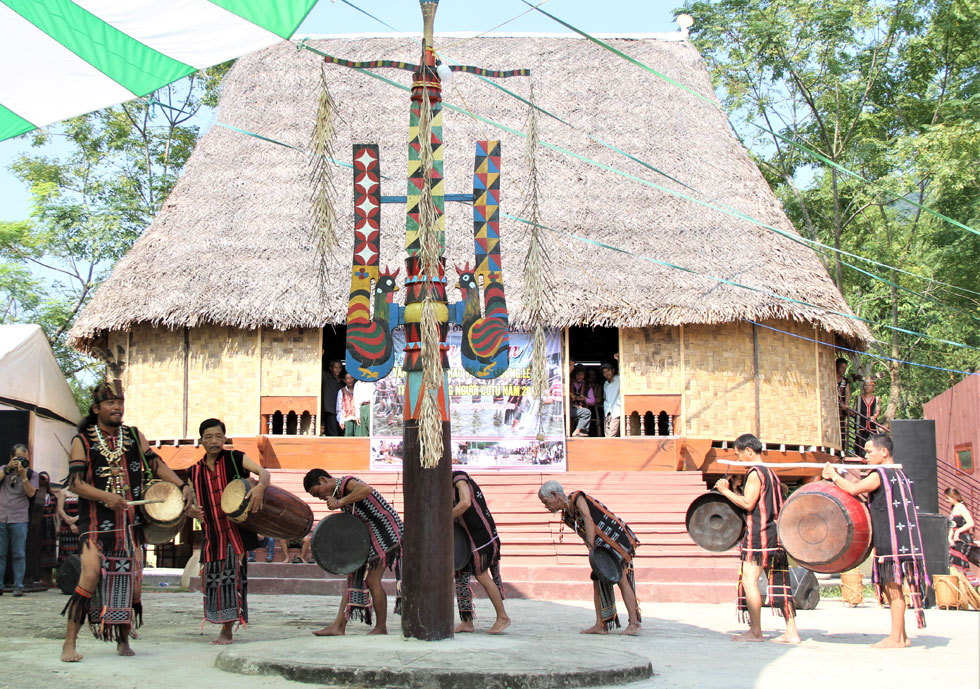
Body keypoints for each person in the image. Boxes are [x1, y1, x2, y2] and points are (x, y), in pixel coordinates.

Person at [61, 381, 194, 662]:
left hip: (129, 526)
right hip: (96, 525)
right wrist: (105, 496)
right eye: (110, 403)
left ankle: (122, 639)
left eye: (120, 402)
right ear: (96, 409)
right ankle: (69, 643)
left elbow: (155, 464)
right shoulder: (82, 440)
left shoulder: (133, 435)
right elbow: (74, 483)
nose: (117, 407)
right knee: (89, 575)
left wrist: (181, 484)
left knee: (131, 582)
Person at [823, 432, 929, 648]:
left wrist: (834, 475)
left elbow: (853, 489)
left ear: (884, 452)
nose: (867, 456)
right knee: (896, 588)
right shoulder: (903, 475)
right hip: (907, 539)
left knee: (894, 587)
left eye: (870, 452)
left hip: (891, 540)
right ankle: (902, 636)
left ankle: (897, 638)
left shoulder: (879, 474)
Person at [185, 418, 269, 645]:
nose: (214, 441)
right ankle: (219, 621)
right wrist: (190, 511)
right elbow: (189, 504)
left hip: (236, 533)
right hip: (211, 535)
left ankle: (227, 631)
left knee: (231, 579)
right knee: (213, 581)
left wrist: (260, 487)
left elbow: (263, 472)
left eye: (219, 436)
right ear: (201, 440)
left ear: (225, 438)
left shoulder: (236, 458)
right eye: (209, 437)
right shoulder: (193, 471)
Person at [714, 434, 800, 644]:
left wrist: (725, 491)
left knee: (749, 581)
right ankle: (792, 631)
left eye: (739, 454)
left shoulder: (755, 473)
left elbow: (747, 503)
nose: (739, 459)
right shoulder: (771, 473)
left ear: (749, 451)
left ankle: (755, 631)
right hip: (776, 534)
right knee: (779, 583)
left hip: (759, 535)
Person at [303, 468, 403, 636]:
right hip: (370, 536)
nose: (318, 497)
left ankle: (381, 627)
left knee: (372, 580)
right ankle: (338, 626)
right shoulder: (339, 493)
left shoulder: (346, 482)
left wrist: (339, 503)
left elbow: (366, 490)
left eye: (317, 492)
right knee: (353, 578)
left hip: (386, 533)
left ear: (323, 479)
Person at [538, 480, 640, 635]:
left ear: (555, 495)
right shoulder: (567, 516)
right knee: (597, 582)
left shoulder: (577, 497)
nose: (547, 507)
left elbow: (588, 518)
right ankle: (601, 624)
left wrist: (592, 550)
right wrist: (594, 556)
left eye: (546, 502)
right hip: (600, 547)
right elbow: (584, 534)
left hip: (614, 540)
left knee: (621, 579)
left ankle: (634, 623)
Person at [452, 470, 510, 634]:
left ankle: (502, 617)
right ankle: (467, 621)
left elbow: (465, 503)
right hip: (466, 538)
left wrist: (443, 519)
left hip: (480, 535)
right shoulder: (446, 486)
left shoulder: (458, 477)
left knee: (482, 575)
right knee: (461, 576)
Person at [0, 443, 38, 596]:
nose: (21, 462)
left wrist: (23, 476)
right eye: (18, 459)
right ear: (11, 457)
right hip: (1, 516)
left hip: (19, 518)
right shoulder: (4, 469)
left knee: (19, 554)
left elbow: (31, 494)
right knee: (0, 554)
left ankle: (18, 586)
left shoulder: (31, 474)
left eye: (24, 459)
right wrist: (8, 469)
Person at [945, 487, 978, 585]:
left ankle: (970, 584)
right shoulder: (954, 508)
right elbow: (953, 525)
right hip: (956, 540)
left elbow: (970, 523)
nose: (947, 500)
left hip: (962, 539)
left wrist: (958, 531)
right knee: (953, 562)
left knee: (959, 563)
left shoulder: (961, 507)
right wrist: (949, 538)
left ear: (954, 497)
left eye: (948, 498)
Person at [853, 380, 881, 457]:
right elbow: (854, 410)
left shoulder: (876, 399)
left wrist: (874, 416)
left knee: (873, 444)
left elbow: (877, 411)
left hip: (872, 427)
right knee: (861, 445)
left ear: (873, 387)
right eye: (865, 385)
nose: (867, 387)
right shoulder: (858, 398)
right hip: (861, 425)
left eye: (869, 385)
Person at [56, 485, 81, 565]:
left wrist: (77, 518)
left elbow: (87, 508)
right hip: (67, 526)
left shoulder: (83, 492)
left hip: (81, 525)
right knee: (67, 555)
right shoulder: (63, 492)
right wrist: (70, 522)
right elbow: (60, 509)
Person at [569, 367, 594, 437]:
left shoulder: (587, 386)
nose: (580, 376)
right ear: (575, 375)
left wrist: (585, 399)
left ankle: (580, 432)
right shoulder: (568, 383)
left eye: (582, 375)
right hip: (569, 409)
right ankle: (577, 432)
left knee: (586, 412)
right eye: (578, 374)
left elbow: (592, 401)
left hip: (581, 410)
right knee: (586, 412)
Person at [321, 360, 344, 436]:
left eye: (339, 368)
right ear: (331, 369)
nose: (337, 370)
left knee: (341, 431)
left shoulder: (343, 381)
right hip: (330, 410)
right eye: (335, 368)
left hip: (341, 410)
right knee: (333, 433)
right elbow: (318, 368)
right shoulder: (326, 377)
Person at [600, 363, 621, 437]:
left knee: (612, 434)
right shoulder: (605, 384)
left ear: (613, 370)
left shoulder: (619, 379)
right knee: (607, 433)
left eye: (608, 371)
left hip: (617, 410)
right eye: (604, 372)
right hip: (608, 411)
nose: (606, 373)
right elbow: (605, 398)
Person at [836, 357, 852, 450]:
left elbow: (847, 392)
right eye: (842, 368)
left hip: (841, 410)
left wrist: (846, 404)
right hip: (832, 407)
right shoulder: (830, 378)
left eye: (845, 368)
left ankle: (841, 450)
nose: (843, 370)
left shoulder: (845, 381)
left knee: (842, 429)